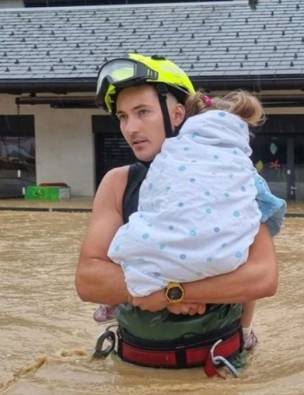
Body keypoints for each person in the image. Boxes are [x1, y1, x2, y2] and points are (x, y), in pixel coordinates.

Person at [76, 54, 279, 375]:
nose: (131, 128)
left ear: (177, 114)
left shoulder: (235, 177)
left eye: (143, 112)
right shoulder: (118, 183)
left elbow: (263, 277)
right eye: (122, 116)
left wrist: (172, 292)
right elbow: (88, 280)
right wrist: (169, 294)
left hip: (218, 369)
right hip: (134, 369)